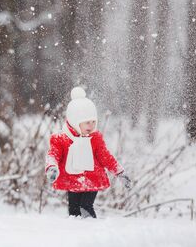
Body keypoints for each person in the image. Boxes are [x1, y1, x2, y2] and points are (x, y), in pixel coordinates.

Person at [45, 87, 131, 218]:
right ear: (74, 121)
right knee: (73, 210)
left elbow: (106, 157)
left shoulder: (95, 139)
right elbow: (53, 154)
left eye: (93, 122)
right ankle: (76, 233)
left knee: (85, 207)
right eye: (86, 123)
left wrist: (119, 172)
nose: (91, 126)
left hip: (92, 179)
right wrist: (52, 167)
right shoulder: (62, 139)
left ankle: (90, 229)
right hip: (72, 179)